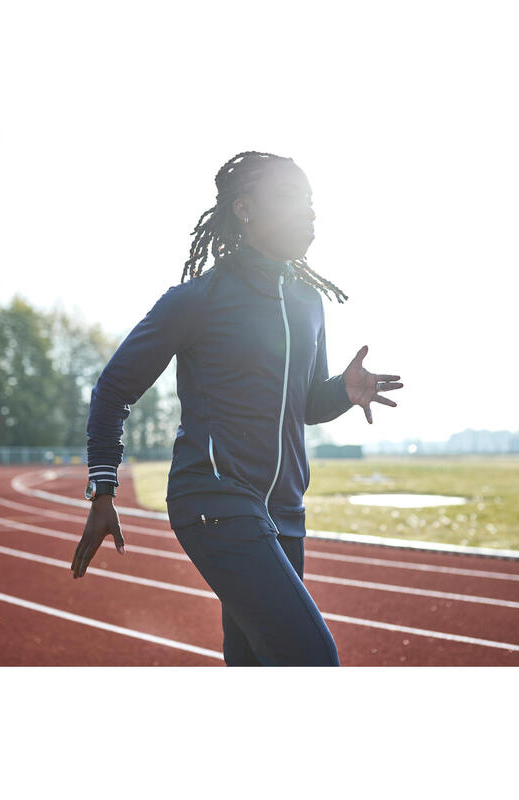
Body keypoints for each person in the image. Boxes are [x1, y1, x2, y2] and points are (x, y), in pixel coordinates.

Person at [71, 151, 403, 666]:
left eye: (311, 202)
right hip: (214, 499)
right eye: (292, 199)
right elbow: (113, 390)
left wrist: (344, 391)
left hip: (285, 512)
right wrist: (102, 491)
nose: (309, 213)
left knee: (253, 661)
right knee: (311, 657)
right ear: (244, 209)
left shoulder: (308, 303)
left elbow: (308, 404)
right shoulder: (198, 299)